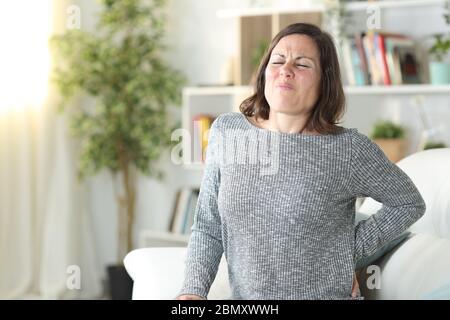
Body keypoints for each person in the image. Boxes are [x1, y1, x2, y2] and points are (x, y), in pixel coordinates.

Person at [176, 23, 426, 300]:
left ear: (325, 81)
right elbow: (208, 225)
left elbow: (408, 203)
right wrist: (192, 292)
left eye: (302, 64)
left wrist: (346, 254)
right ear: (264, 73)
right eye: (278, 60)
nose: (286, 69)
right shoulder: (228, 131)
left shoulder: (348, 149)